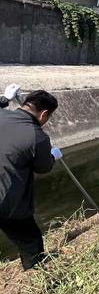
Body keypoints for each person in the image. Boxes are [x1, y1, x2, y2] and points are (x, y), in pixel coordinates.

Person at [0, 87, 62, 270]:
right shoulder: (38, 137)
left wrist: (4, 99)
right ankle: (37, 275)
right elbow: (43, 167)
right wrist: (53, 156)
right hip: (6, 202)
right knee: (30, 241)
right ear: (44, 114)